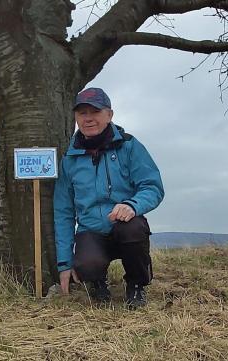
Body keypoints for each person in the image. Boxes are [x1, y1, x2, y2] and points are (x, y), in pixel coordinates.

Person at [54, 87, 164, 309]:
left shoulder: (129, 146)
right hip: (91, 230)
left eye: (95, 111)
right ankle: (97, 281)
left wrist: (132, 205)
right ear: (75, 117)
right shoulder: (69, 159)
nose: (88, 118)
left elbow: (152, 187)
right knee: (87, 265)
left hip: (124, 224)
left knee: (133, 229)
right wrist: (64, 263)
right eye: (82, 113)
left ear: (109, 115)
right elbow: (63, 211)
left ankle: (136, 285)